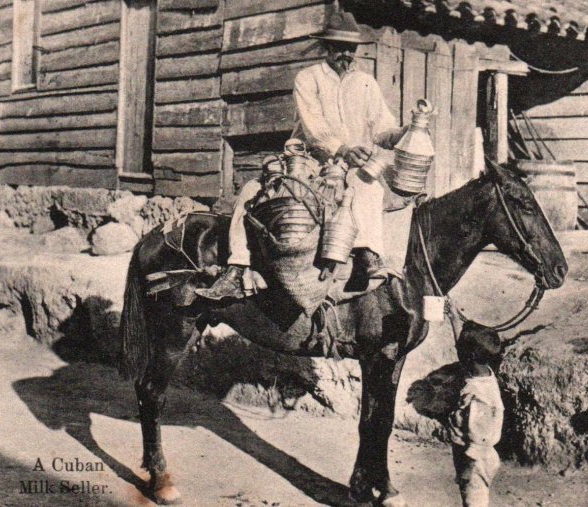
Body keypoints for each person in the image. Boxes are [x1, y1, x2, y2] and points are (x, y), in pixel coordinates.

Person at [197, 11, 406, 301]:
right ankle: (236, 267)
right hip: (309, 159)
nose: (346, 54)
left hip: (352, 164)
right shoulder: (308, 78)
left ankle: (366, 256)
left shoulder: (365, 83)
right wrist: (342, 148)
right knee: (252, 192)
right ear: (327, 48)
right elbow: (313, 125)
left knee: (367, 188)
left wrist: (403, 132)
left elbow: (382, 127)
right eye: (340, 47)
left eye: (351, 48)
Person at [448, 321, 505, 507]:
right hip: (477, 455)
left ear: (469, 356)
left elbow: (479, 441)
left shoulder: (479, 397)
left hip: (475, 459)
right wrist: (453, 315)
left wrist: (468, 470)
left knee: (474, 500)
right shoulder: (484, 373)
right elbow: (464, 348)